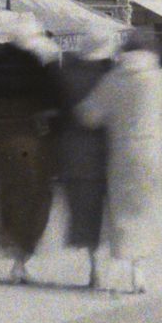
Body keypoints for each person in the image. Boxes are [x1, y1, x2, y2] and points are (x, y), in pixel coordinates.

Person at [74, 31, 162, 294]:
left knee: (122, 211)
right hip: (155, 152)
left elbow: (89, 115)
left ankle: (122, 266)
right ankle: (139, 270)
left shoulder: (113, 79)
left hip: (122, 153)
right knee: (146, 209)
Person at [0, 37, 64, 285]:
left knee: (8, 196)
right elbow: (54, 104)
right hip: (29, 142)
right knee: (36, 197)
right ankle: (20, 261)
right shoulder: (34, 65)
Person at [51, 51, 114, 287]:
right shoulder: (108, 74)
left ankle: (94, 268)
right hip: (106, 152)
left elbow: (56, 116)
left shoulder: (66, 75)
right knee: (108, 211)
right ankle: (112, 268)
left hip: (74, 154)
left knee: (86, 212)